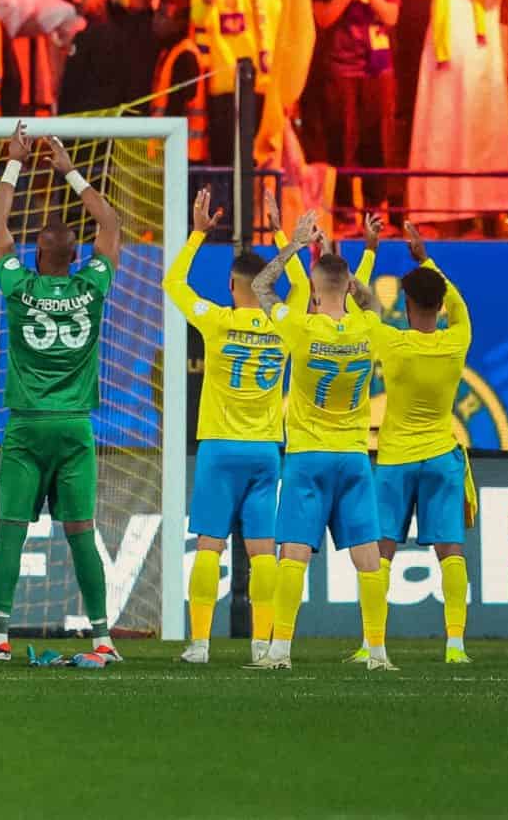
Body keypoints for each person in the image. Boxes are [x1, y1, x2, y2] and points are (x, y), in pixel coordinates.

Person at [0, 121, 123, 667]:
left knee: (10, 528)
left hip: (28, 425)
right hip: (76, 426)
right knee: (82, 531)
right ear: (76, 256)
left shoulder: (19, 287)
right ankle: (103, 637)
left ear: (37, 255)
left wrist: (14, 161)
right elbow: (112, 223)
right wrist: (71, 171)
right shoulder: (91, 287)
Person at [246, 215, 392, 672]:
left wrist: (293, 245)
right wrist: (366, 254)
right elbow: (371, 304)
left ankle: (281, 651)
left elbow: (262, 289)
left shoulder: (301, 328)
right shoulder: (369, 326)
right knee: (368, 558)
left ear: (312, 289)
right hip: (352, 456)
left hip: (308, 456)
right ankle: (378, 651)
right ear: (349, 287)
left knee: (292, 554)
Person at [167, 187, 306, 667]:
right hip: (266, 450)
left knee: (209, 544)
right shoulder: (287, 323)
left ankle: (200, 645)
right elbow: (305, 290)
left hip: (219, 449)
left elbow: (173, 285)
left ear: (231, 283)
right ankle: (263, 645)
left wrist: (197, 235)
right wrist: (284, 235)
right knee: (263, 551)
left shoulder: (217, 321)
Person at [365, 217, 476, 666]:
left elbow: (355, 309)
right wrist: (426, 258)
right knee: (450, 551)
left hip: (395, 460)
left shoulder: (392, 344)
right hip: (440, 458)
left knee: (382, 553)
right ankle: (455, 645)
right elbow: (459, 303)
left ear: (407, 303)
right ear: (438, 304)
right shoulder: (457, 341)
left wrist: (371, 249)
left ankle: (374, 645)